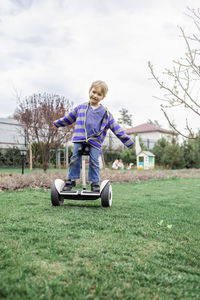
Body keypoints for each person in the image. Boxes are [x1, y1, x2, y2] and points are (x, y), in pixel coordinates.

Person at [53, 80, 134, 192]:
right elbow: (68, 118)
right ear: (89, 91)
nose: (95, 95)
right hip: (79, 138)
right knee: (74, 158)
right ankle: (71, 180)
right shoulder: (80, 108)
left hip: (95, 141)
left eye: (99, 94)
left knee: (94, 161)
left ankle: (94, 182)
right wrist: (57, 123)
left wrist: (128, 141)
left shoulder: (105, 112)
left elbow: (115, 127)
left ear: (103, 97)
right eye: (94, 92)